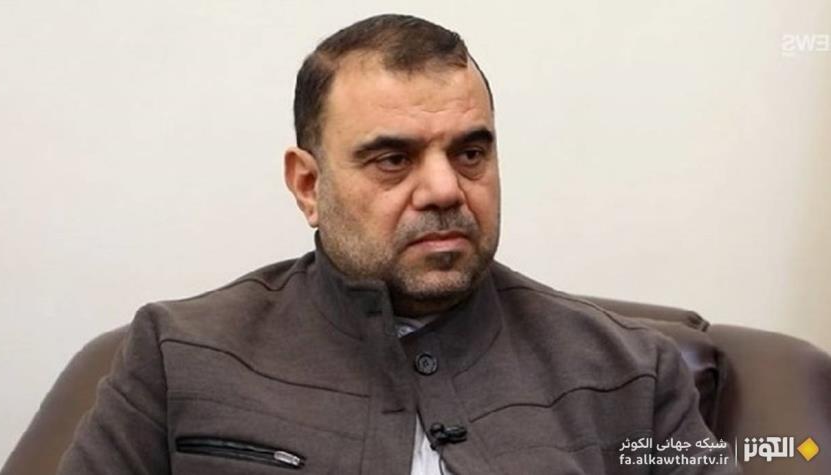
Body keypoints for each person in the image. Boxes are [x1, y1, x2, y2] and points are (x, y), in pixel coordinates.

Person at [57, 14, 740, 474]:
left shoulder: (632, 374)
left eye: (470, 153)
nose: (444, 189)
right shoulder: (179, 354)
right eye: (392, 159)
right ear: (307, 184)